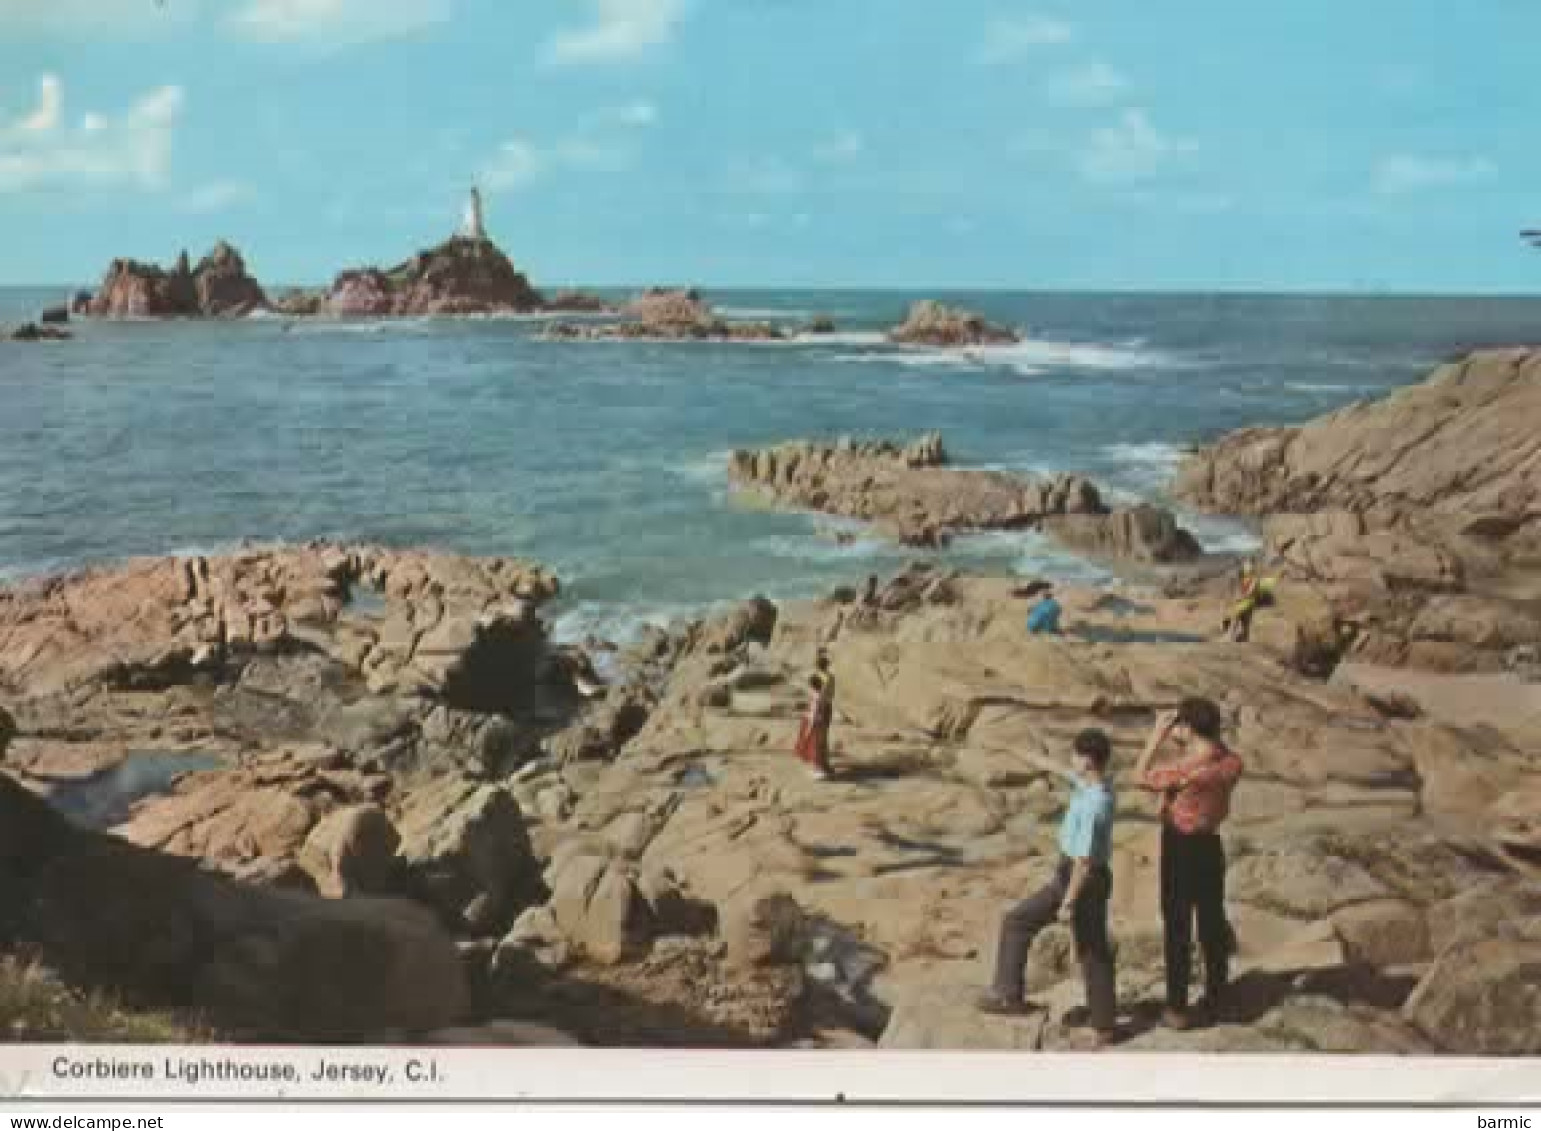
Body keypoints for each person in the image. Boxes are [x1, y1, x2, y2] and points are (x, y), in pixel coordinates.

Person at [978, 728, 1118, 1046]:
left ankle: (1007, 995)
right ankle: (1105, 1022)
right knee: (1093, 949)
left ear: (1088, 761)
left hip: (1079, 878)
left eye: (1076, 755)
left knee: (1018, 921)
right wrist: (1010, 748)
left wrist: (1068, 901)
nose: (1071, 760)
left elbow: (1083, 859)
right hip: (1088, 876)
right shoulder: (1096, 785)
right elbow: (1054, 767)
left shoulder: (1092, 805)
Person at [1136, 697, 1243, 1029]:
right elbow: (1214, 752)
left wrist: (1155, 736)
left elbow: (1139, 776)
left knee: (1177, 925)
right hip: (1210, 843)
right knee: (1212, 921)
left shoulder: (1184, 771)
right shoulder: (1231, 762)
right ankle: (1218, 996)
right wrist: (1192, 735)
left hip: (1180, 846)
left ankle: (1177, 1009)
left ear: (1189, 729)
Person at [794, 655, 836, 780]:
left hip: (820, 710)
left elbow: (818, 699)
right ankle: (825, 765)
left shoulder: (822, 679)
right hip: (827, 707)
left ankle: (820, 767)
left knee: (817, 741)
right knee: (823, 739)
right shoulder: (831, 677)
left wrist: (813, 715)